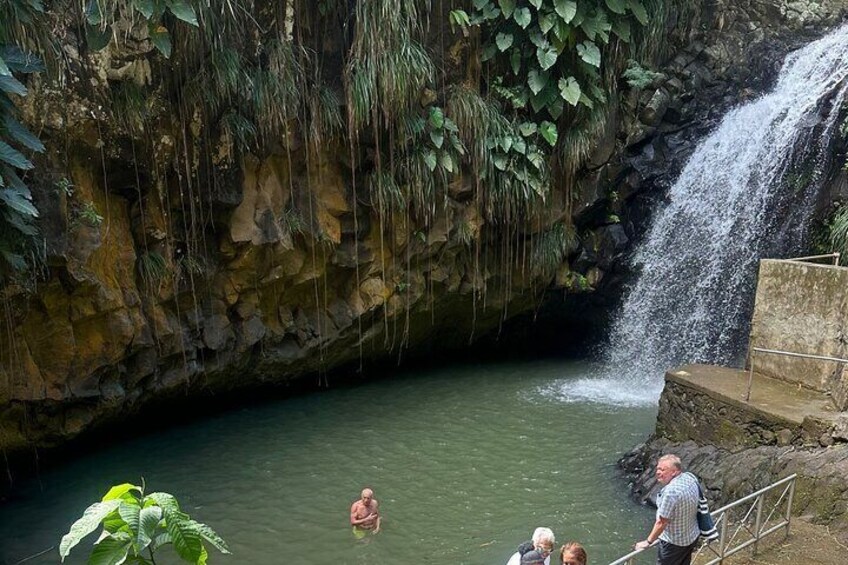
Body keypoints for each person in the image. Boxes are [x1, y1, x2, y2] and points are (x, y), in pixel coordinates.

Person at [634, 454, 700, 565]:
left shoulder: (671, 492)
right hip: (691, 536)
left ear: (674, 472)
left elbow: (662, 522)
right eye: (657, 469)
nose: (658, 472)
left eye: (662, 470)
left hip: (674, 543)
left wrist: (648, 541)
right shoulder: (689, 478)